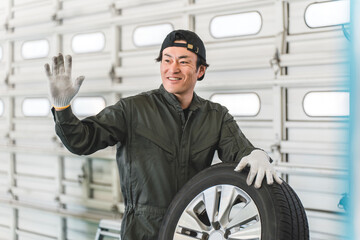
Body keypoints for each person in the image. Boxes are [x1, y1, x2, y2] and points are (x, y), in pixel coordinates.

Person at [44, 29, 282, 240]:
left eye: (183, 62)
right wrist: (62, 109)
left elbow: (242, 153)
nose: (173, 69)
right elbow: (81, 141)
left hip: (193, 228)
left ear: (200, 70)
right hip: (142, 231)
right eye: (166, 60)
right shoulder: (132, 110)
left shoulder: (216, 116)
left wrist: (258, 155)